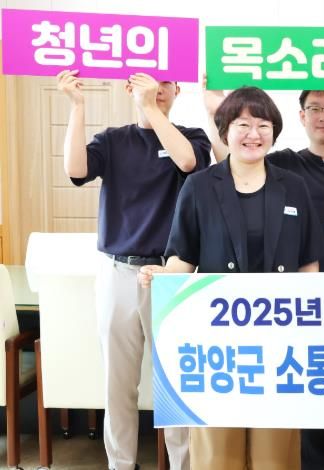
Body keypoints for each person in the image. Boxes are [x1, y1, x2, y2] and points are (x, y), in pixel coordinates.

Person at [139, 86, 324, 470]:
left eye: (263, 125)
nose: (253, 134)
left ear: (274, 132)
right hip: (216, 344)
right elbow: (183, 258)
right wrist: (163, 275)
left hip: (280, 341)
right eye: (243, 124)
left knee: (275, 453)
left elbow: (309, 265)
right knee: (217, 451)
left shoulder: (294, 186)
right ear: (225, 130)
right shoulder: (200, 186)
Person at [57, 70, 210, 470]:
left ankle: (183, 465)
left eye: (165, 83)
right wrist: (77, 105)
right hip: (118, 272)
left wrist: (150, 107)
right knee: (118, 384)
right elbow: (75, 170)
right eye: (147, 82)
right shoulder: (113, 140)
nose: (157, 89)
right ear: (128, 87)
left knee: (176, 384)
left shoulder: (191, 136)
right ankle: (121, 464)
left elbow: (188, 162)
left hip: (172, 275)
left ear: (177, 90)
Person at [203, 83, 324, 469]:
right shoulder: (286, 166)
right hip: (290, 303)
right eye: (315, 108)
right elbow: (235, 165)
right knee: (297, 396)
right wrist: (215, 111)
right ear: (301, 116)